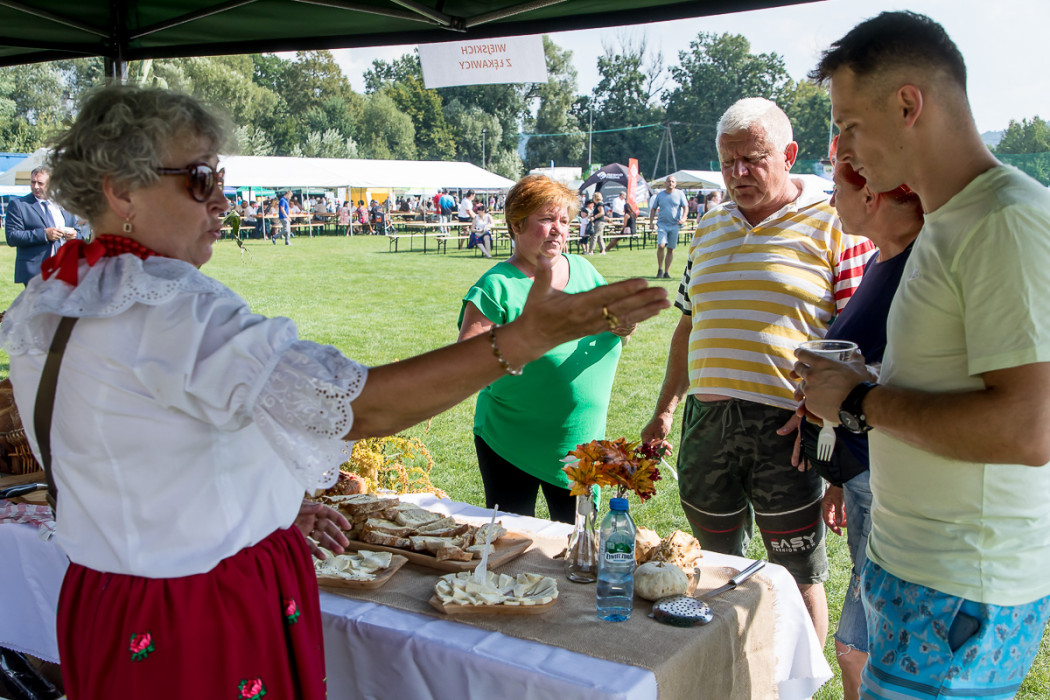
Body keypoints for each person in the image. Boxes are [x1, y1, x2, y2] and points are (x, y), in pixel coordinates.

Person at [0, 85, 668, 699]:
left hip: (107, 601)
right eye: (201, 180)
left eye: (221, 180)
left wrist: (270, 511)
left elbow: (138, 456)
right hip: (197, 615)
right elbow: (359, 405)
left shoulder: (55, 297)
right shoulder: (170, 309)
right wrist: (523, 339)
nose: (222, 202)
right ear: (121, 191)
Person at [798, 12, 1050, 699]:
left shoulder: (1003, 221)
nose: (845, 150)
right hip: (921, 571)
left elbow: (1028, 429)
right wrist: (862, 382)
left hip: (961, 588)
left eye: (851, 125)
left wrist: (859, 398)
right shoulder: (950, 221)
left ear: (909, 104)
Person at [641, 97, 874, 647]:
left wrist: (829, 428)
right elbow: (688, 326)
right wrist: (665, 410)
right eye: (728, 162)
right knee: (712, 565)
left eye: (753, 159)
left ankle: (800, 682)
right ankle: (733, 670)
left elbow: (861, 346)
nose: (738, 173)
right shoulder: (709, 225)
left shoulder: (838, 224)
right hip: (708, 425)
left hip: (788, 433)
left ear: (789, 155)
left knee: (798, 578)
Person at [803, 151, 923, 700]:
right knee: (861, 645)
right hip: (861, 476)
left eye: (837, 188)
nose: (831, 201)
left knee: (859, 647)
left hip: (893, 484)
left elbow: (923, 380)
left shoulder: (923, 268)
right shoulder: (881, 261)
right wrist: (837, 477)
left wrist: (848, 386)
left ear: (871, 194)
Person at [457, 175, 641, 523]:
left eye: (565, 221)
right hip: (512, 440)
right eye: (546, 219)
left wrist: (625, 327)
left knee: (579, 538)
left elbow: (617, 332)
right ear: (517, 224)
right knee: (511, 538)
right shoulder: (496, 286)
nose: (558, 229)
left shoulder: (584, 270)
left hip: (580, 440)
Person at [5, 166, 85, 285]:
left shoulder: (65, 204)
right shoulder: (19, 205)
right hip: (36, 272)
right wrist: (44, 235)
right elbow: (12, 237)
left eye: (40, 183)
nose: (35, 186)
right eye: (33, 182)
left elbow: (79, 234)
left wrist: (74, 235)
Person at [648, 174, 688, 278]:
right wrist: (651, 222)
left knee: (670, 249)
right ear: (665, 183)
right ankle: (660, 269)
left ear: (675, 184)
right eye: (669, 181)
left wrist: (684, 218)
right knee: (661, 245)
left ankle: (666, 272)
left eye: (673, 181)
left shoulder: (680, 194)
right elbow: (653, 209)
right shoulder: (660, 195)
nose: (670, 183)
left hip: (674, 225)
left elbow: (685, 207)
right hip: (662, 225)